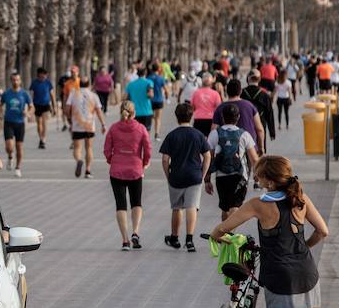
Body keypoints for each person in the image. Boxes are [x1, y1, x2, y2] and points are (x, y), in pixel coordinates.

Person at [210, 155, 329, 308]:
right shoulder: (300, 199)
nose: (256, 179)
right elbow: (323, 231)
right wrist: (305, 247)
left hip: (277, 274)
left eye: (259, 176)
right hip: (306, 272)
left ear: (270, 181)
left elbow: (221, 230)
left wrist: (228, 239)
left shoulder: (257, 204)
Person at [159, 102, 212, 252]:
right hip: (194, 175)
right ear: (191, 115)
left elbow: (165, 159)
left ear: (176, 117)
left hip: (176, 176)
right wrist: (203, 173)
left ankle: (174, 237)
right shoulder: (198, 134)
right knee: (191, 206)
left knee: (176, 208)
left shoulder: (172, 135)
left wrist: (168, 175)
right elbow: (207, 155)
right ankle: (189, 240)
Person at [103, 101, 153, 250]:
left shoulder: (113, 128)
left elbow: (107, 149)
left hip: (117, 170)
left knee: (121, 205)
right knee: (136, 203)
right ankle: (135, 232)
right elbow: (148, 148)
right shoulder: (141, 128)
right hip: (135, 169)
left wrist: (112, 160)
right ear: (134, 113)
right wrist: (145, 162)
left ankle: (125, 240)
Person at [205, 102, 261, 222]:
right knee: (235, 206)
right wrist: (257, 175)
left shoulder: (215, 134)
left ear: (223, 117)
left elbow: (208, 157)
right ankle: (230, 235)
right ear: (238, 117)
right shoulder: (244, 134)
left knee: (225, 208)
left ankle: (225, 234)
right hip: (240, 176)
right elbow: (254, 159)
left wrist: (207, 179)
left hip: (221, 176)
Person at [67, 83, 105, 179]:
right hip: (89, 125)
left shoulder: (73, 94)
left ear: (79, 85)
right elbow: (99, 111)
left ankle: (79, 160)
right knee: (88, 147)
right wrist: (103, 124)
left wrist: (69, 119)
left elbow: (67, 108)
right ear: (89, 85)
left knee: (77, 148)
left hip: (77, 125)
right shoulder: (94, 95)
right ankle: (88, 171)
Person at [1, 73, 33, 176]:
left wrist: (28, 113)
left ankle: (18, 168)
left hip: (20, 123)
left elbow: (32, 107)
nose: (15, 82)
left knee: (19, 146)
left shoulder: (24, 94)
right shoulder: (6, 93)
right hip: (8, 122)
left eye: (17, 80)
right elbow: (0, 106)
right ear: (11, 81)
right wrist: (0, 114)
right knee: (9, 147)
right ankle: (10, 156)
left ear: (20, 81)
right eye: (14, 80)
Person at [190, 72, 222, 137]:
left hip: (198, 119)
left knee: (198, 142)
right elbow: (219, 109)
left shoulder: (196, 93)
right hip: (211, 120)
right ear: (211, 83)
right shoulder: (215, 94)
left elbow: (192, 107)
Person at [30, 67, 55, 148]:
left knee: (44, 123)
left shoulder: (48, 83)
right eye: (42, 75)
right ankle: (40, 138)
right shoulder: (34, 83)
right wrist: (31, 106)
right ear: (38, 75)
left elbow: (52, 95)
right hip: (37, 105)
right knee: (39, 124)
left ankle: (43, 139)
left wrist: (53, 106)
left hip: (46, 105)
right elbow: (32, 94)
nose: (44, 77)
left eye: (45, 75)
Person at [125, 68, 154, 134]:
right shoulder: (149, 82)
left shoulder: (131, 84)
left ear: (137, 74)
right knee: (146, 133)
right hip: (147, 112)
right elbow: (151, 95)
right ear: (145, 73)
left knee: (136, 133)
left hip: (134, 113)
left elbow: (125, 98)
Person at [148, 61, 168, 138]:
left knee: (150, 116)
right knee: (158, 118)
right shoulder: (161, 78)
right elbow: (165, 89)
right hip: (159, 100)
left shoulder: (148, 78)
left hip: (150, 101)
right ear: (158, 69)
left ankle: (148, 132)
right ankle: (156, 133)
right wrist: (167, 96)